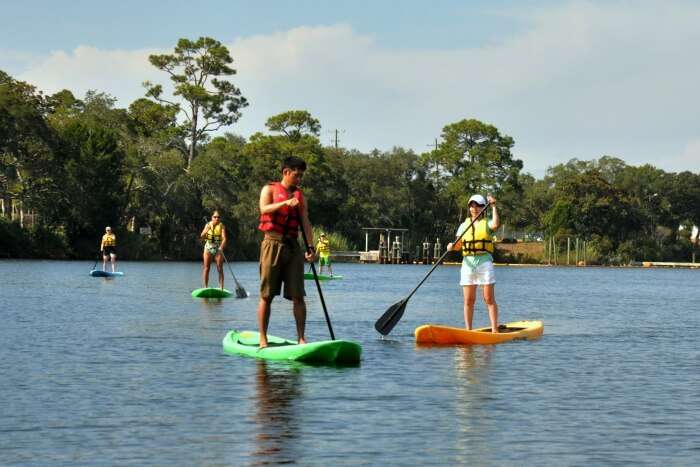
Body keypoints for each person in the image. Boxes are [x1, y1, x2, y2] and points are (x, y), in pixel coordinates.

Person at [257, 156, 315, 348]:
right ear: (286, 172)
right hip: (272, 244)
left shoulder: (300, 196)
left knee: (298, 295)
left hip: (293, 247)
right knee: (267, 294)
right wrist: (284, 204)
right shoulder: (269, 189)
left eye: (301, 176)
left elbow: (305, 223)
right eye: (296, 175)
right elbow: (264, 208)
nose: (299, 179)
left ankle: (301, 338)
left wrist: (310, 248)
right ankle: (263, 338)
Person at [447, 194, 500, 333]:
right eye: (471, 205)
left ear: (483, 208)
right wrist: (451, 246)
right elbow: (458, 246)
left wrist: (494, 206)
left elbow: (495, 224)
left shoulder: (487, 223)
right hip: (468, 265)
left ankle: (495, 330)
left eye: (477, 205)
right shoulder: (463, 225)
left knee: (488, 298)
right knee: (468, 301)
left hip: (484, 264)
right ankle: (469, 331)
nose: (474, 208)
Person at [200, 210, 227, 288]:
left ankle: (221, 288)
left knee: (220, 269)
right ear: (212, 218)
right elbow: (202, 236)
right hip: (208, 247)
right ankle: (205, 287)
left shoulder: (222, 226)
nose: (216, 218)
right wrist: (207, 230)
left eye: (218, 217)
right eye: (215, 217)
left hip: (218, 248)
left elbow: (224, 238)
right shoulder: (208, 225)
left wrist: (221, 247)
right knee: (206, 268)